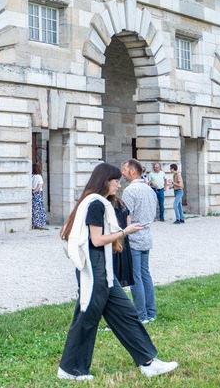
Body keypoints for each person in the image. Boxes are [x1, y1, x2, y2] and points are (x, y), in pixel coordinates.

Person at [57, 162, 177, 380]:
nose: (118, 185)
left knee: (126, 314)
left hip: (103, 268)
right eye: (115, 181)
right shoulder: (95, 204)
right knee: (86, 318)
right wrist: (125, 231)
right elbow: (96, 239)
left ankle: (148, 362)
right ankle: (69, 369)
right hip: (94, 270)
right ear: (104, 181)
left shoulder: (96, 202)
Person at [122, 159, 157, 324]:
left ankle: (141, 315)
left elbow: (126, 216)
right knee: (145, 274)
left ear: (132, 171)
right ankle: (151, 312)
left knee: (135, 277)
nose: (122, 172)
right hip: (147, 235)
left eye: (124, 169)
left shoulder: (129, 191)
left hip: (134, 237)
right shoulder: (149, 189)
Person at [31, 161, 47, 229]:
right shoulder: (39, 177)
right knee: (39, 209)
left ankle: (35, 223)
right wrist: (35, 191)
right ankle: (39, 224)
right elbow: (39, 185)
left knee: (34, 209)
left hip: (32, 192)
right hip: (37, 193)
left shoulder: (31, 176)